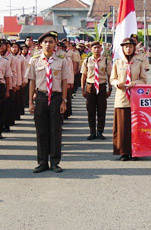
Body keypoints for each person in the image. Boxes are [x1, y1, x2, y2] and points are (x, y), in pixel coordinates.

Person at [26, 31, 72, 173]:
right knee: (41, 131)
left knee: (55, 131)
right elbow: (32, 82)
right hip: (40, 97)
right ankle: (42, 162)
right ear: (40, 44)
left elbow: (65, 82)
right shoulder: (34, 60)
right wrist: (30, 102)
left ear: (55, 44)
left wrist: (64, 101)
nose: (48, 44)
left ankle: (54, 162)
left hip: (57, 98)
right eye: (45, 42)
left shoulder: (61, 60)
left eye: (51, 42)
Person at [111, 37, 147, 161]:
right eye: (126, 47)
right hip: (122, 98)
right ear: (122, 48)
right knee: (122, 127)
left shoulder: (139, 63)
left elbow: (144, 80)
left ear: (134, 48)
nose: (128, 49)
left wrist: (135, 83)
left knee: (136, 126)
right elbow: (112, 79)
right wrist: (117, 83)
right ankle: (124, 152)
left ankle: (136, 151)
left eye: (131, 46)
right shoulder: (118, 63)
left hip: (135, 99)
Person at [81, 41, 112, 140]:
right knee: (91, 110)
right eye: (94, 48)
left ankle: (100, 131)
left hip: (102, 86)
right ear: (91, 49)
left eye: (98, 48)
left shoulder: (106, 61)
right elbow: (84, 76)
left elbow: (109, 75)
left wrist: (110, 89)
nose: (97, 50)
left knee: (102, 110)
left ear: (101, 49)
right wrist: (83, 88)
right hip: (90, 86)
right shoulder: (87, 61)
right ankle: (92, 132)